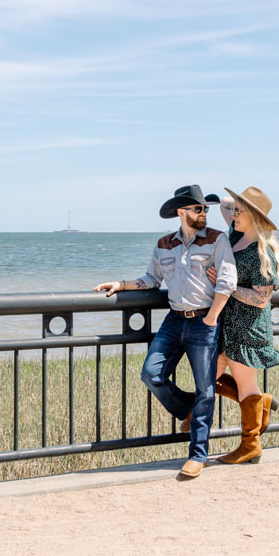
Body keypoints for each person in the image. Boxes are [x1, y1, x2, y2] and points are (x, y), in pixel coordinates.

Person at [93, 184, 237, 478]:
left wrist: (211, 318)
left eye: (205, 209)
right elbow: (151, 278)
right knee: (151, 374)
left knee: (205, 389)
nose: (204, 213)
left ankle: (198, 455)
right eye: (198, 209)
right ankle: (187, 408)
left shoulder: (216, 239)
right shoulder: (163, 244)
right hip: (174, 321)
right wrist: (121, 285)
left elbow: (227, 282)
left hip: (204, 321)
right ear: (181, 212)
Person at [212, 186, 279, 465]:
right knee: (210, 376)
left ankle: (250, 445)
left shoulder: (261, 251)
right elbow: (222, 203)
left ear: (254, 218)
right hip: (226, 322)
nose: (233, 215)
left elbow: (259, 299)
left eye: (240, 212)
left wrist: (227, 287)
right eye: (235, 210)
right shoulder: (235, 236)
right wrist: (241, 203)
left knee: (245, 386)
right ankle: (262, 403)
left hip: (247, 326)